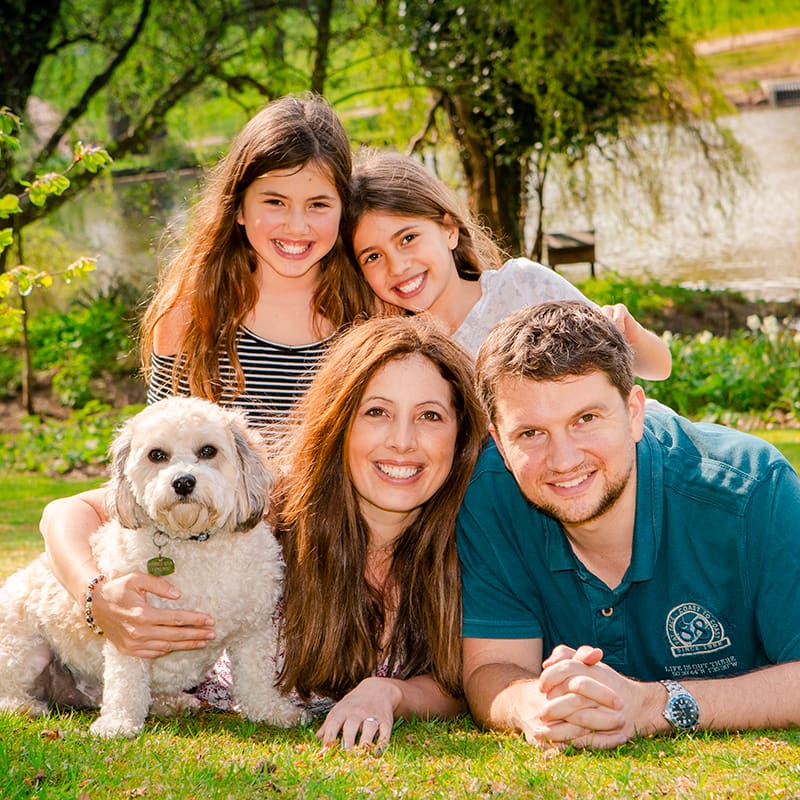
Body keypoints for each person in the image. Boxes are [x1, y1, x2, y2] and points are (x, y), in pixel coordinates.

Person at [39, 93, 376, 657]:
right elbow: (132, 483)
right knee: (64, 519)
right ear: (239, 207)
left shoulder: (366, 318)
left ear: (345, 211)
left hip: (330, 569)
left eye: (319, 203)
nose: (297, 225)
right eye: (274, 200)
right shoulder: (190, 318)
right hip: (219, 567)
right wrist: (96, 597)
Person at [456, 300, 800, 750]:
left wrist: (655, 705)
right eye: (531, 433)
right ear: (500, 442)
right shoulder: (489, 496)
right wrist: (532, 706)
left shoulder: (752, 488)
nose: (564, 460)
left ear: (634, 412)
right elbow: (491, 665)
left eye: (586, 419)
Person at [274, 314, 486, 748]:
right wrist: (96, 599)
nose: (403, 441)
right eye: (377, 412)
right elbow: (94, 507)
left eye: (429, 416)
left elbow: (460, 684)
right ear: (339, 423)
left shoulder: (474, 538)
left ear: (460, 435)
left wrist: (389, 691)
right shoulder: (272, 506)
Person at [345, 149, 672, 381]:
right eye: (373, 256)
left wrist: (630, 334)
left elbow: (658, 367)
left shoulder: (522, 285)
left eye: (408, 238)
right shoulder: (402, 355)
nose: (398, 265)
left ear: (449, 230)